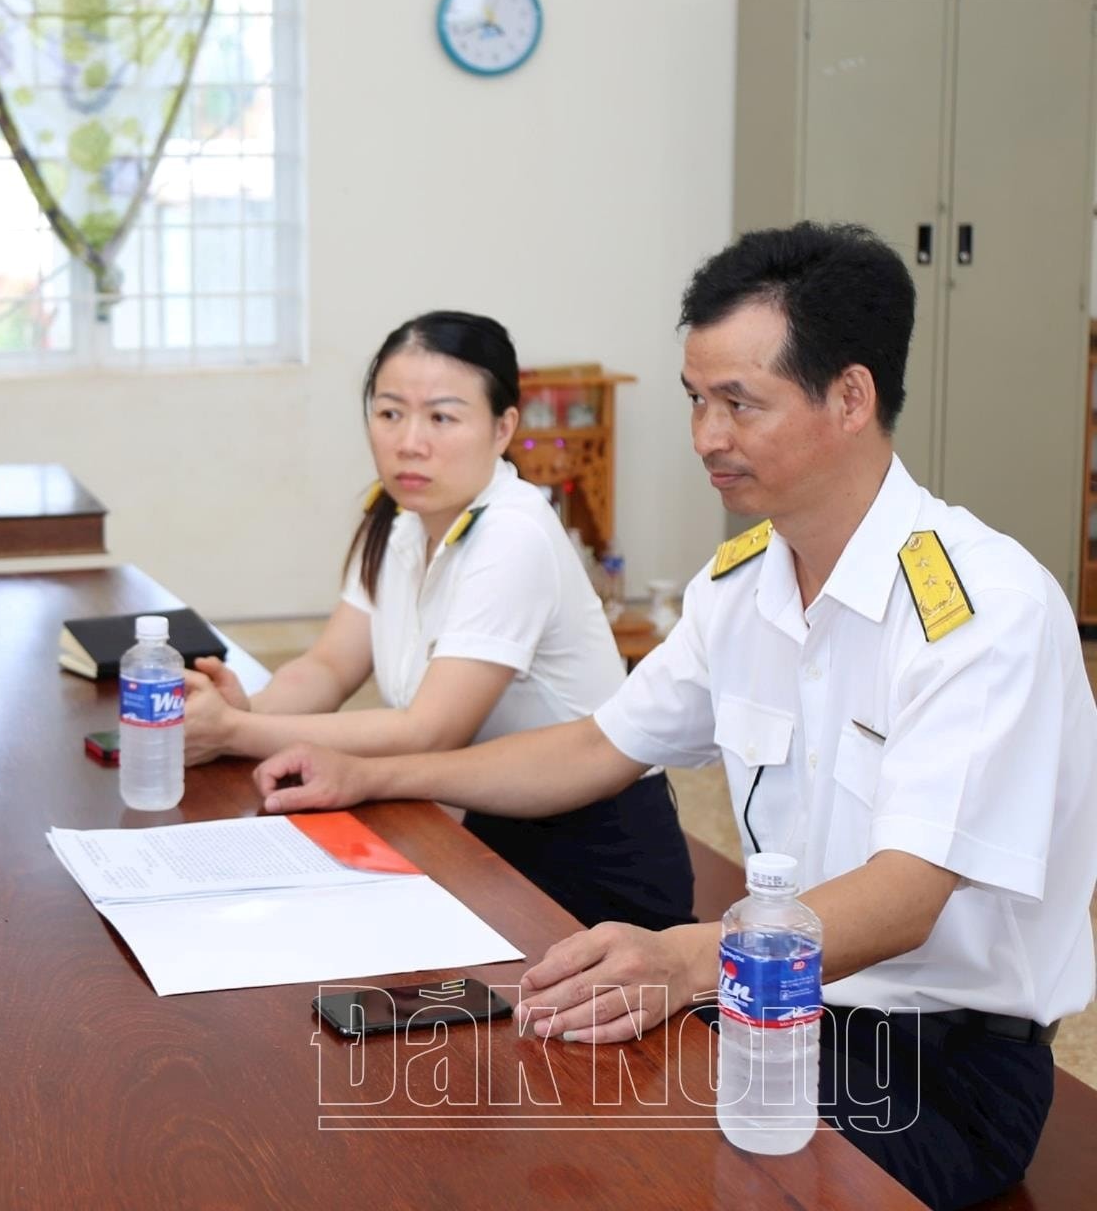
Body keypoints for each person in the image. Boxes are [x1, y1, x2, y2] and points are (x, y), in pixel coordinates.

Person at [253, 224, 1097, 1210]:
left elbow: (907, 895)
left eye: (740, 403)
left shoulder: (981, 608)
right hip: (764, 1007)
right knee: (501, 1108)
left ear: (850, 397)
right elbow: (597, 745)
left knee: (630, 1167)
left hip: (930, 1061)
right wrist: (371, 774)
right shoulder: (740, 586)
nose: (705, 436)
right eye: (697, 399)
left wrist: (684, 958)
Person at [184, 310, 694, 932]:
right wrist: (248, 710)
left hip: (591, 854)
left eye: (442, 418)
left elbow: (429, 730)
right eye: (389, 413)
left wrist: (236, 733)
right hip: (483, 818)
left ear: (503, 427)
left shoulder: (513, 533)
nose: (409, 442)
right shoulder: (399, 520)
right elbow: (329, 665)